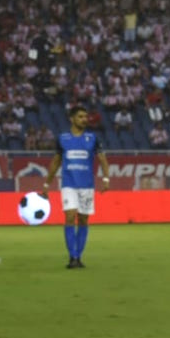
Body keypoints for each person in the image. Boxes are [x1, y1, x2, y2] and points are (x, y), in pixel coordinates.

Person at [42, 104, 110, 268]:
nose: (84, 119)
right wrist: (46, 183)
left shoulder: (93, 138)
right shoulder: (63, 138)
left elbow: (102, 158)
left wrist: (106, 179)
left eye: (85, 117)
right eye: (80, 117)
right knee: (70, 216)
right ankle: (72, 257)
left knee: (84, 219)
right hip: (69, 184)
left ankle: (78, 256)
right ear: (71, 119)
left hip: (87, 185)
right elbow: (56, 162)